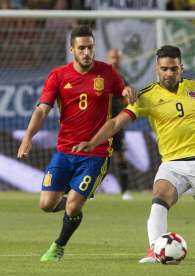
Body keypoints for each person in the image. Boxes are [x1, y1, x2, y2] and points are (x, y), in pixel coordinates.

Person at [72, 45, 195, 263]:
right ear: (157, 70)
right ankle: (154, 248)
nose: (169, 73)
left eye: (174, 68)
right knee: (159, 198)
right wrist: (93, 142)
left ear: (181, 68)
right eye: (164, 68)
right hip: (172, 164)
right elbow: (115, 123)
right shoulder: (147, 97)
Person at [17, 26, 137, 261]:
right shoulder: (58, 75)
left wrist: (128, 91)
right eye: (81, 48)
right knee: (46, 204)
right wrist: (27, 138)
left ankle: (58, 246)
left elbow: (124, 98)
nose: (86, 52)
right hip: (64, 152)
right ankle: (78, 199)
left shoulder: (108, 72)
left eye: (90, 47)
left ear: (94, 48)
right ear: (72, 50)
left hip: (97, 152)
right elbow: (42, 111)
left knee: (71, 207)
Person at [107, 48, 133, 200]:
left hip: (117, 122)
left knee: (120, 156)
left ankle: (124, 191)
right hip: (101, 122)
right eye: (112, 57)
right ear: (108, 58)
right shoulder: (101, 77)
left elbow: (129, 101)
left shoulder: (124, 80)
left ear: (121, 60)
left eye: (117, 57)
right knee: (94, 155)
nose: (115, 60)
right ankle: (89, 191)